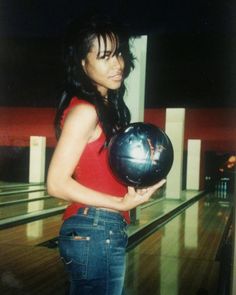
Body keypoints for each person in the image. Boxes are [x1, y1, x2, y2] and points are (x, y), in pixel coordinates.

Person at [47, 13, 166, 295]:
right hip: (96, 228)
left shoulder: (104, 109)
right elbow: (56, 184)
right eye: (104, 56)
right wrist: (121, 203)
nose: (117, 64)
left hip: (97, 229)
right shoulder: (85, 112)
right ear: (82, 63)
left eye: (118, 54)